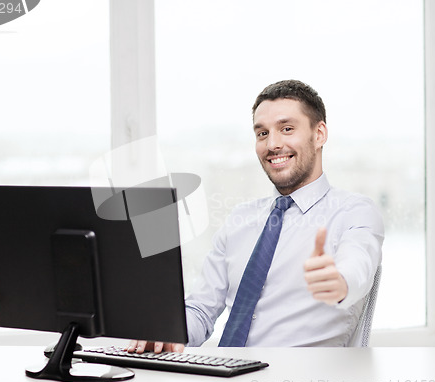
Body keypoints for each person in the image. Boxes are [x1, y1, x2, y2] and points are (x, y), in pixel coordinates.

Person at [127, 79, 384, 353]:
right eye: (262, 133)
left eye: (287, 129)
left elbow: (358, 265)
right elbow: (201, 309)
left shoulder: (353, 211)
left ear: (319, 134)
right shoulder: (241, 219)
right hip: (227, 377)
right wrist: (167, 329)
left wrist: (339, 282)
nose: (272, 144)